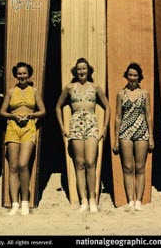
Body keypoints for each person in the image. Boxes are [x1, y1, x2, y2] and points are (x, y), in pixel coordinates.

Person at [55, 57, 110, 213]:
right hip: (76, 126)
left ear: (89, 70)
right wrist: (62, 127)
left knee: (91, 162)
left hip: (91, 125)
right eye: (79, 69)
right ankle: (83, 200)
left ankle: (92, 199)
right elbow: (58, 107)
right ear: (75, 71)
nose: (81, 71)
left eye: (84, 68)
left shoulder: (95, 87)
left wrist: (104, 128)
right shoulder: (69, 88)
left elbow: (107, 107)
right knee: (79, 164)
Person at [0, 62, 46, 216]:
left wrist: (31, 115)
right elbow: (2, 112)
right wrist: (13, 116)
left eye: (24, 73)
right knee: (13, 166)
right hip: (12, 127)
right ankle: (14, 203)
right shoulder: (11, 92)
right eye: (19, 73)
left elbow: (43, 111)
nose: (22, 76)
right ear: (15, 75)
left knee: (23, 164)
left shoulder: (34, 91)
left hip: (29, 128)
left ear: (29, 74)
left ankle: (25, 201)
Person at [112, 62, 153, 211]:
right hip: (125, 132)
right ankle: (130, 199)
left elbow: (148, 115)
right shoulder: (121, 94)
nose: (132, 78)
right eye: (130, 75)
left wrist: (151, 136)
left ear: (139, 76)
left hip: (142, 130)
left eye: (135, 75)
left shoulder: (144, 94)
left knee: (140, 167)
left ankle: (139, 201)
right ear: (126, 76)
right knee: (128, 167)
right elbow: (117, 117)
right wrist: (116, 138)